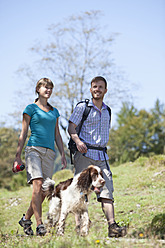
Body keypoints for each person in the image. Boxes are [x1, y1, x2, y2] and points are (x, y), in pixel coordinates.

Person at [68, 76, 127, 238]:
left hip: (101, 156)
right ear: (90, 89)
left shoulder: (108, 111)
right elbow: (71, 127)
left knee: (107, 189)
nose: (97, 89)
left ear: (105, 90)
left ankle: (112, 227)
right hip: (84, 154)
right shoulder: (82, 107)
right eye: (94, 87)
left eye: (100, 87)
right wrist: (78, 141)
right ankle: (80, 228)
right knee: (81, 192)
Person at [13, 78, 67, 236]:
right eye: (45, 87)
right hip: (33, 150)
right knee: (37, 185)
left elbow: (57, 134)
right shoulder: (30, 109)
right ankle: (39, 225)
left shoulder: (54, 111)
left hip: (50, 153)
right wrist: (18, 156)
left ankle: (26, 219)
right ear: (38, 89)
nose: (48, 90)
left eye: (50, 88)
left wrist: (63, 154)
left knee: (44, 191)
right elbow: (23, 133)